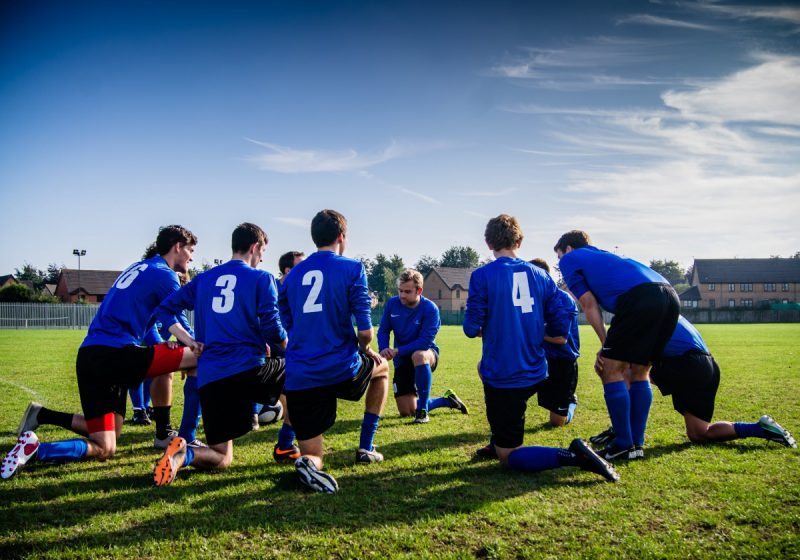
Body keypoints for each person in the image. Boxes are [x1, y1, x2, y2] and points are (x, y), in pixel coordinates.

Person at [2, 226, 199, 480]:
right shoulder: (165, 275)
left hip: (90, 357)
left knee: (106, 444)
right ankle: (174, 436)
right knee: (199, 356)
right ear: (178, 247)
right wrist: (194, 344)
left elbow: (145, 324)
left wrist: (166, 346)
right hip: (114, 355)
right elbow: (177, 317)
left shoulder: (138, 269)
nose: (192, 258)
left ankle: (35, 448)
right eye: (191, 251)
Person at [464, 215, 618, 483]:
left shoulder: (482, 276)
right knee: (489, 379)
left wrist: (486, 325)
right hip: (537, 369)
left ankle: (574, 456)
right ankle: (499, 435)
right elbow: (566, 308)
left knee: (509, 456)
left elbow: (470, 327)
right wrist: (547, 332)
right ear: (520, 241)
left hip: (504, 375)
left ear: (488, 243)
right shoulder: (541, 276)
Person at [152, 222, 289, 486]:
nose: (262, 259)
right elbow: (272, 327)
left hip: (211, 378)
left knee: (222, 456)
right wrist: (291, 346)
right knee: (300, 373)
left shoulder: (204, 279)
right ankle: (290, 445)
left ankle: (183, 455)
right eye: (262, 252)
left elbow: (164, 310)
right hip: (248, 372)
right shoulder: (262, 278)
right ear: (254, 247)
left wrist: (188, 340)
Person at [279, 209, 390, 493]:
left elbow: (285, 325)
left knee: (314, 454)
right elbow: (366, 332)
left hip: (301, 375)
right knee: (383, 370)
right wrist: (365, 349)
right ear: (341, 236)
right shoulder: (352, 268)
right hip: (341, 368)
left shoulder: (291, 276)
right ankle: (366, 446)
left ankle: (308, 464)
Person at [554, 230, 679, 461]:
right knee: (640, 371)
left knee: (610, 369)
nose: (560, 263)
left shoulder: (571, 259)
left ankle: (622, 443)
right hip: (669, 295)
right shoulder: (602, 257)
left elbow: (589, 304)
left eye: (559, 256)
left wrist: (606, 343)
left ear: (568, 249)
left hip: (640, 298)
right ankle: (635, 444)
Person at [590, 316, 796, 449]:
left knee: (620, 373)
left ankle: (621, 432)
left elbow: (630, 359)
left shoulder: (643, 312)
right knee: (699, 434)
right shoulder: (663, 306)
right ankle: (759, 429)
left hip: (686, 363)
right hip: (707, 366)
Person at [377, 268, 467, 424]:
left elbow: (424, 342)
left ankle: (423, 412)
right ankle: (447, 400)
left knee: (419, 354)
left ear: (419, 290)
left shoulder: (430, 309)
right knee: (407, 411)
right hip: (402, 359)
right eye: (400, 291)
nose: (402, 295)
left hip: (427, 355)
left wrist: (397, 350)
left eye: (407, 291)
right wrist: (384, 348)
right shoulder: (392, 304)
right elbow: (383, 330)